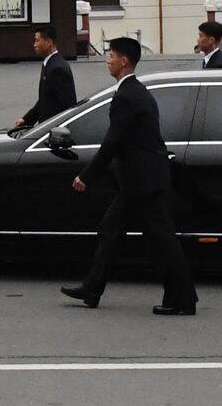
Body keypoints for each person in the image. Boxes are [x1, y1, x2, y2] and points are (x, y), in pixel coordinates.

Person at [62, 37, 198, 315]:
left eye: (111, 55)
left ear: (124, 61)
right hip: (137, 182)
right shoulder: (136, 91)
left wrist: (87, 176)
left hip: (144, 183)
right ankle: (91, 289)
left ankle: (183, 299)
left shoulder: (127, 95)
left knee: (162, 240)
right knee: (109, 231)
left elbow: (113, 141)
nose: (107, 60)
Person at [13, 25, 77, 130]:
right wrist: (26, 119)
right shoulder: (48, 64)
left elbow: (67, 105)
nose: (34, 45)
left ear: (48, 43)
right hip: (48, 129)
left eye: (37, 41)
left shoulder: (57, 68)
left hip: (55, 131)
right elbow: (45, 100)